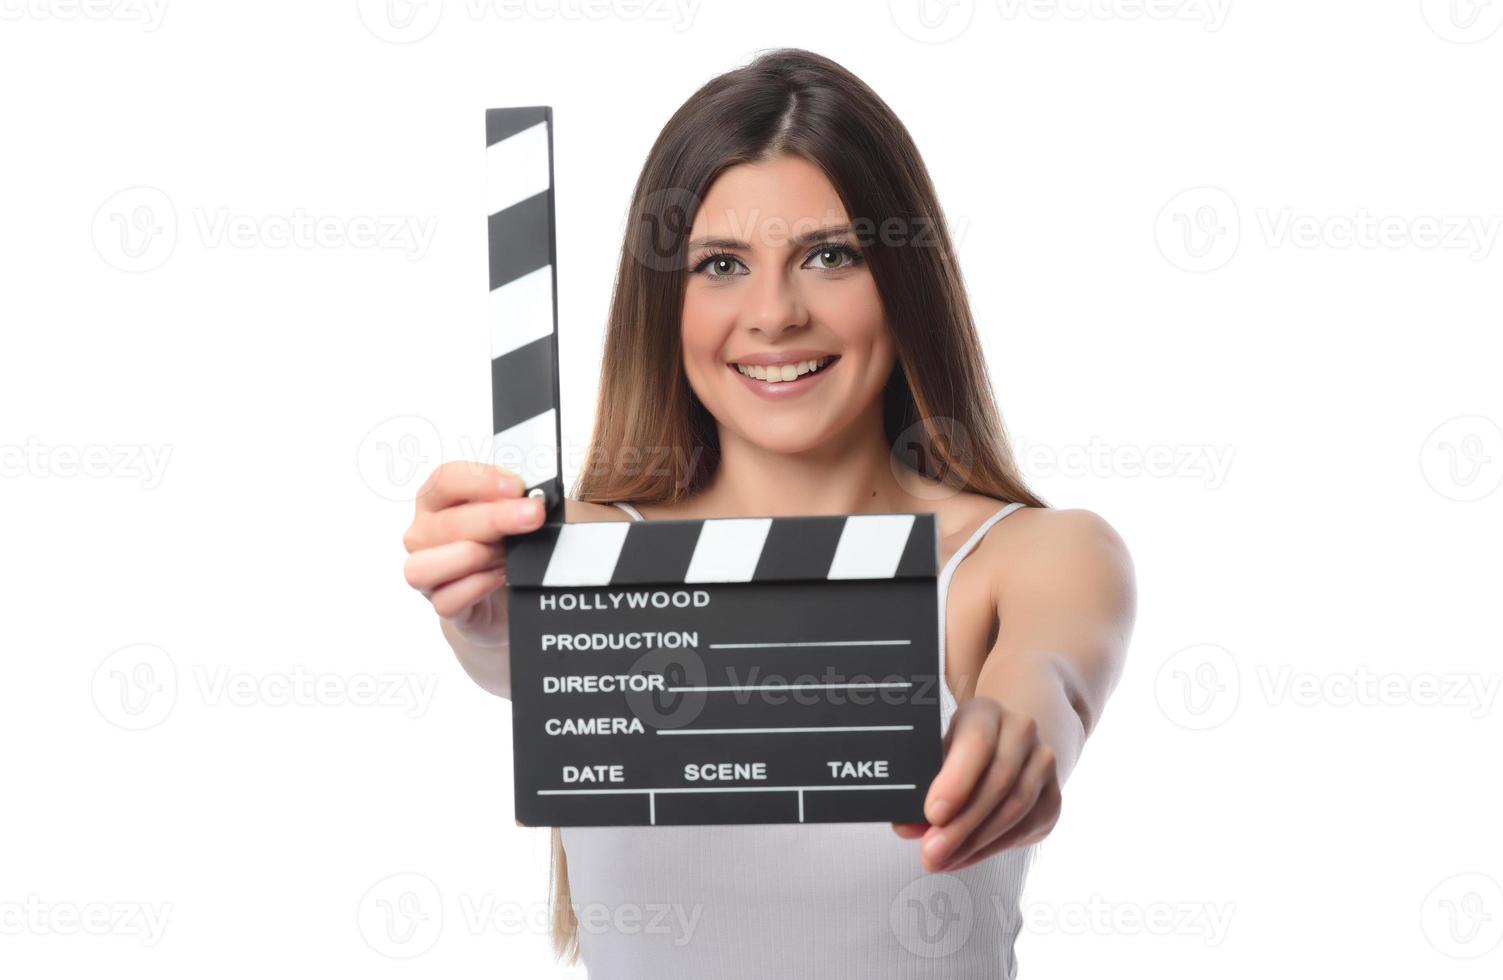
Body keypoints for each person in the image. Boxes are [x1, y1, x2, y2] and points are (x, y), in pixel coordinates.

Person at [402, 47, 1135, 979]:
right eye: (720, 264)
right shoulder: (577, 548)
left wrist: (1019, 731)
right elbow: (502, 646)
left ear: (904, 280)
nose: (773, 314)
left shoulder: (1031, 555)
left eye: (830, 256)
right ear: (663, 300)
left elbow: (1050, 678)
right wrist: (489, 609)